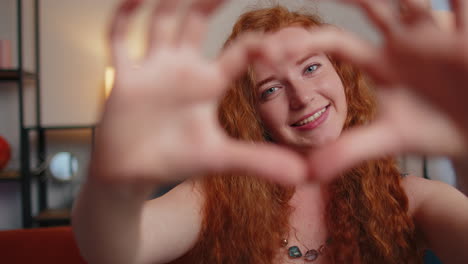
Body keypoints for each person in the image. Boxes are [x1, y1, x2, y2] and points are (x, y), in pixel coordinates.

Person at [72, 0, 468, 264]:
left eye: (311, 67)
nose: (301, 96)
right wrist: (113, 182)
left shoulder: (411, 199)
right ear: (254, 114)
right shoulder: (216, 198)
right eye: (271, 89)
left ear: (342, 77)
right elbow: (114, 250)